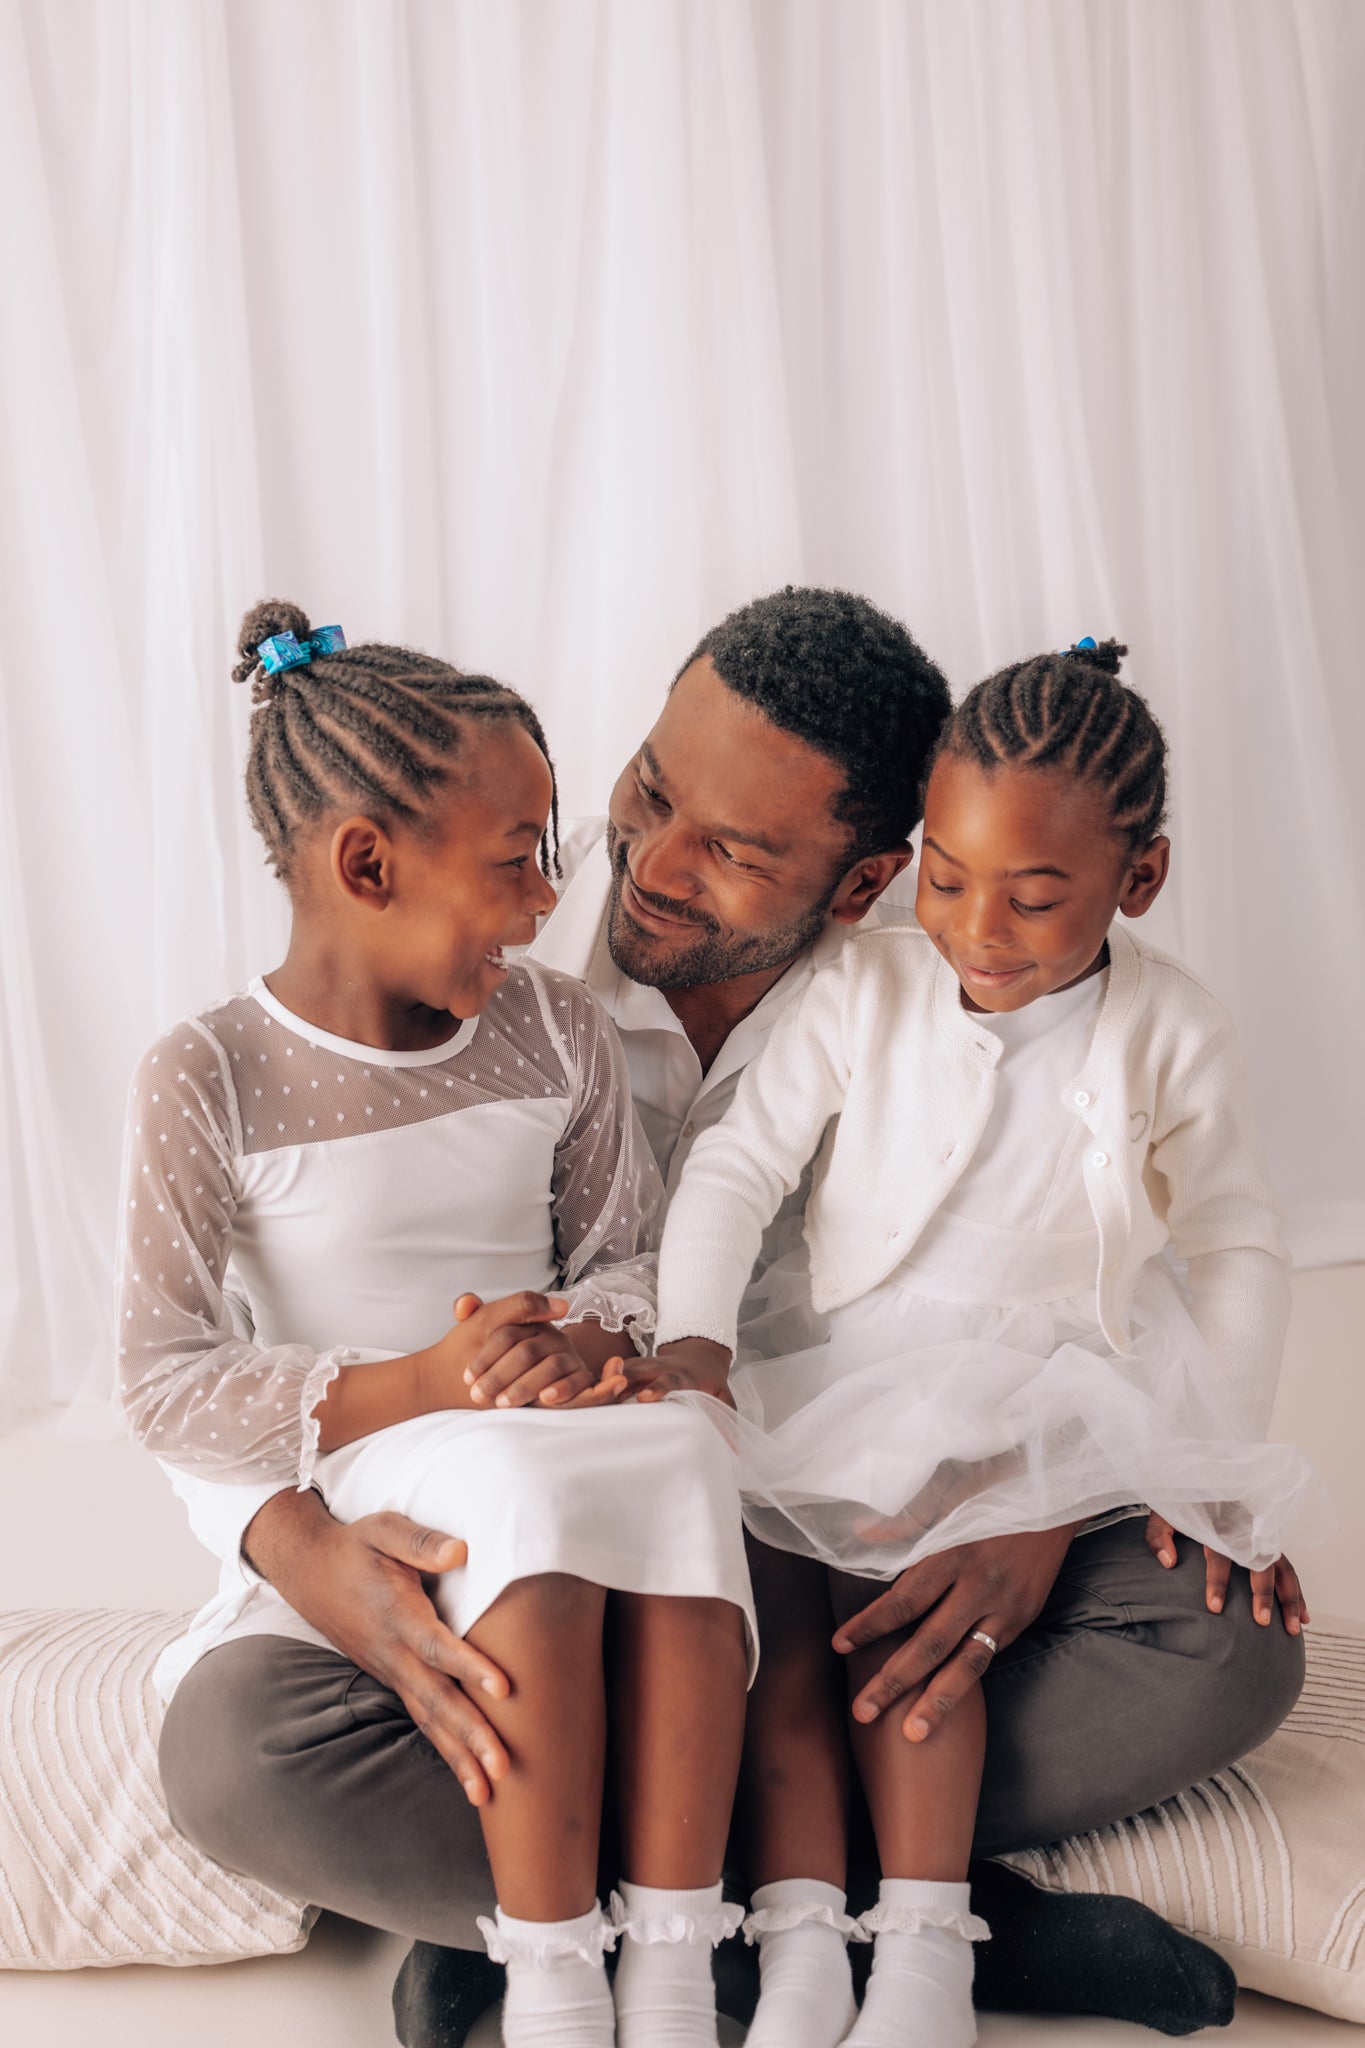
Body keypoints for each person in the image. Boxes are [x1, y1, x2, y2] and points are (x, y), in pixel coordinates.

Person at [154, 590, 1305, 2047]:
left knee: (1225, 1644)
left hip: (852, 1545)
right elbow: (220, 1338)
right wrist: (284, 1536)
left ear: (863, 879)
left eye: (735, 849)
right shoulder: (477, 959)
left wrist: (1050, 1509)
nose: (647, 858)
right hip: (530, 1562)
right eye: (648, 787)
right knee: (236, 1757)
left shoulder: (935, 988)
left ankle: (636, 1908)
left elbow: (1116, 1268)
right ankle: (782, 1911)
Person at [651, 636, 1318, 2048]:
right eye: (945, 880)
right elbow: (734, 1168)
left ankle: (922, 1948)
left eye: (1032, 897)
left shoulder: (1168, 1032)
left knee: (923, 1645)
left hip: (1050, 1406)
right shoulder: (866, 984)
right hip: (831, 1374)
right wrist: (697, 1344)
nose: (975, 928)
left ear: (1133, 883)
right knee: (767, 1624)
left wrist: (1211, 1484)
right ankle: (791, 1934)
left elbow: (1234, 1243)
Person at [121, 601, 757, 2048]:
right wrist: (420, 1380)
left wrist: (587, 1344)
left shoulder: (553, 1033)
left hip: (559, 1454)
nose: (549, 901)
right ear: (366, 863)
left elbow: (628, 1262)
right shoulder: (209, 1075)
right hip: (377, 1496)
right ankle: (563, 1961)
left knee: (686, 1459)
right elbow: (161, 1382)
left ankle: (659, 1973)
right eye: (513, 862)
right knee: (248, 1750)